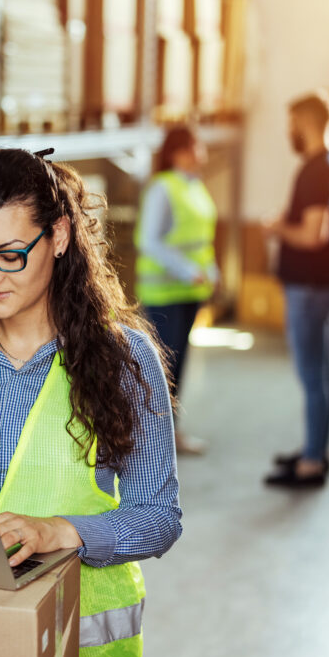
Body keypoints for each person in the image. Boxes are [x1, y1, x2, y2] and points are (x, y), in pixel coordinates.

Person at [0, 148, 182, 657]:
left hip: (83, 655)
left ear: (60, 236)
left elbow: (159, 517)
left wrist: (63, 532)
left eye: (9, 254)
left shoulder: (123, 359)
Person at [262, 89, 329, 488]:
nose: (290, 131)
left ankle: (312, 463)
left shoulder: (319, 170)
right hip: (326, 286)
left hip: (311, 288)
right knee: (322, 375)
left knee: (312, 377)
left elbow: (314, 234)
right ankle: (316, 449)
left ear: (309, 123)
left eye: (293, 124)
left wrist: (277, 227)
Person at [134, 125, 219, 455]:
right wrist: (189, 270)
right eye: (197, 146)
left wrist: (211, 271)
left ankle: (170, 437)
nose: (203, 153)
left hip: (189, 292)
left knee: (178, 367)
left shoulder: (194, 186)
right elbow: (148, 241)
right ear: (179, 151)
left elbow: (200, 239)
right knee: (162, 372)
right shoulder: (162, 188)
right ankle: (152, 443)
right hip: (164, 294)